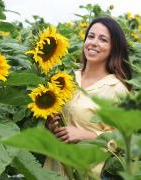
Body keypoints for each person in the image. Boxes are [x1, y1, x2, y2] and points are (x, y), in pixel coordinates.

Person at [44, 16, 132, 178]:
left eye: (103, 39)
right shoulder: (66, 79)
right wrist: (51, 125)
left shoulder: (117, 89)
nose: (94, 43)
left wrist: (84, 135)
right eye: (91, 36)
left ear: (114, 48)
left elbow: (124, 139)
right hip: (55, 169)